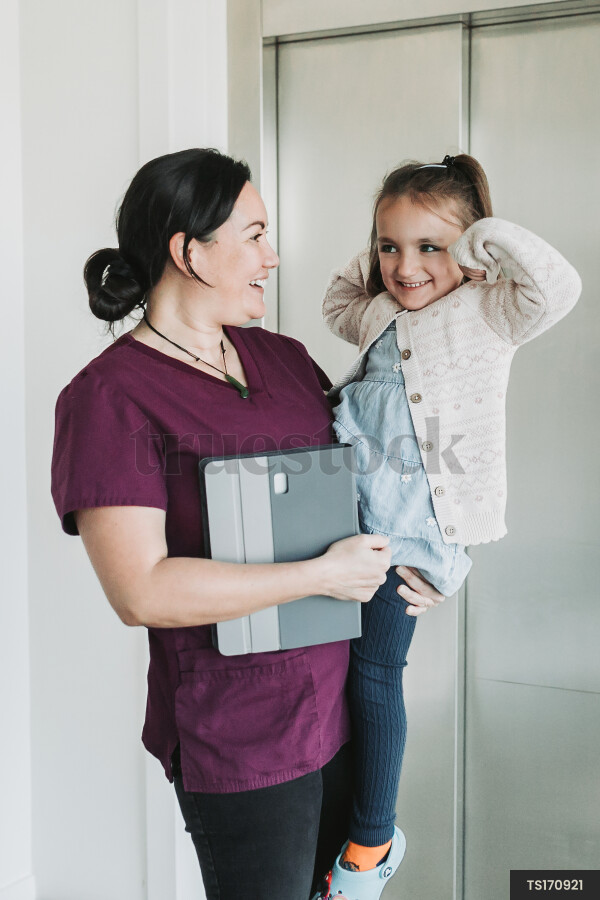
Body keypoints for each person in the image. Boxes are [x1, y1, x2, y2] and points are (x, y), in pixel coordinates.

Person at [50, 148, 444, 900]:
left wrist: (421, 564)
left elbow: (372, 485)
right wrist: (320, 576)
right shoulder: (109, 397)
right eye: (256, 235)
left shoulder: (285, 359)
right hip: (239, 735)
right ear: (190, 252)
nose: (273, 256)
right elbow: (141, 590)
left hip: (344, 708)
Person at [314, 154, 582, 899]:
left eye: (429, 247)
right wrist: (381, 246)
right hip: (345, 523)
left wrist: (482, 239)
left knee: (374, 675)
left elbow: (559, 287)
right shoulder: (380, 311)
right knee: (330, 674)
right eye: (389, 246)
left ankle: (372, 843)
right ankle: (338, 821)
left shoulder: (489, 310)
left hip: (409, 538)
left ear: (467, 247)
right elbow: (336, 301)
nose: (406, 268)